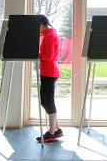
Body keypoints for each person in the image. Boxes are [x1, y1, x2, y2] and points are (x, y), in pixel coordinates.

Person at [36, 15, 63, 143]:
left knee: (48, 101)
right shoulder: (47, 34)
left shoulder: (50, 36)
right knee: (44, 101)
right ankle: (57, 129)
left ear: (42, 24)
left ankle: (52, 132)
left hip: (50, 72)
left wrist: (36, 54)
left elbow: (49, 56)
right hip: (47, 71)